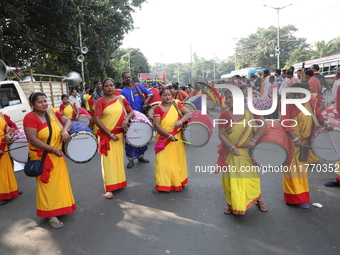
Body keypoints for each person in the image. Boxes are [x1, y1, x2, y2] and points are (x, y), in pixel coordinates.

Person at [23, 92, 74, 228]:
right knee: (47, 185)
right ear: (32, 104)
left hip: (57, 154)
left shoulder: (52, 112)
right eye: (40, 102)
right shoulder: (29, 118)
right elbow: (32, 139)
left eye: (45, 101)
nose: (44, 104)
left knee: (59, 183)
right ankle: (51, 215)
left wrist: (65, 130)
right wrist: (52, 150)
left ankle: (61, 207)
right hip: (43, 156)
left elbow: (68, 121)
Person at [280, 83, 333, 209]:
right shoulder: (285, 104)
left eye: (300, 94)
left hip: (305, 143)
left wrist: (326, 123)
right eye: (294, 95)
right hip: (290, 143)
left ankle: (301, 197)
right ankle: (292, 199)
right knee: (291, 172)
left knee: (302, 172)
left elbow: (319, 116)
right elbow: (285, 123)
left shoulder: (312, 102)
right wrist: (295, 138)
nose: (297, 97)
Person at [217, 89, 268, 215]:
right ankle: (231, 203)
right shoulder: (224, 114)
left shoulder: (250, 111)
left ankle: (258, 199)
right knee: (231, 180)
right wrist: (232, 147)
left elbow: (263, 125)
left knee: (252, 178)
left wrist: (254, 140)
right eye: (227, 98)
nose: (228, 100)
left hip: (248, 152)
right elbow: (221, 135)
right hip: (232, 152)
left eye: (231, 97)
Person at [94, 79, 134, 199]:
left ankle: (119, 182)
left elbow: (131, 111)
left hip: (119, 135)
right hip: (107, 136)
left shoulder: (120, 98)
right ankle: (109, 187)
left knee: (118, 160)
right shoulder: (100, 101)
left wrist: (126, 119)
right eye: (106, 86)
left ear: (114, 87)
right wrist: (110, 134)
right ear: (102, 88)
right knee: (107, 163)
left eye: (111, 85)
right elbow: (97, 119)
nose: (109, 88)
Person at [152, 88, 191, 193]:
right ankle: (162, 184)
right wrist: (168, 136)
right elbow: (157, 125)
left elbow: (188, 114)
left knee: (178, 161)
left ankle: (178, 182)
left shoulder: (177, 104)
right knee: (162, 162)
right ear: (160, 96)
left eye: (169, 94)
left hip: (177, 138)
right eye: (164, 95)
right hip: (164, 139)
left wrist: (180, 121)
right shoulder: (157, 108)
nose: (167, 97)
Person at [120, 72, 153, 168]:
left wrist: (145, 103)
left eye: (129, 77)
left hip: (142, 117)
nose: (128, 78)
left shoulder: (138, 86)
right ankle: (130, 159)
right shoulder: (123, 92)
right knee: (130, 138)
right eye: (126, 77)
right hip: (130, 118)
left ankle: (141, 156)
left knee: (143, 136)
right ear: (123, 80)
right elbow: (123, 106)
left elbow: (150, 94)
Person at [0, 112, 21, 205]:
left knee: (8, 169)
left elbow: (13, 125)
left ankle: (12, 190)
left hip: (5, 144)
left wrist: (8, 134)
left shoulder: (2, 115)